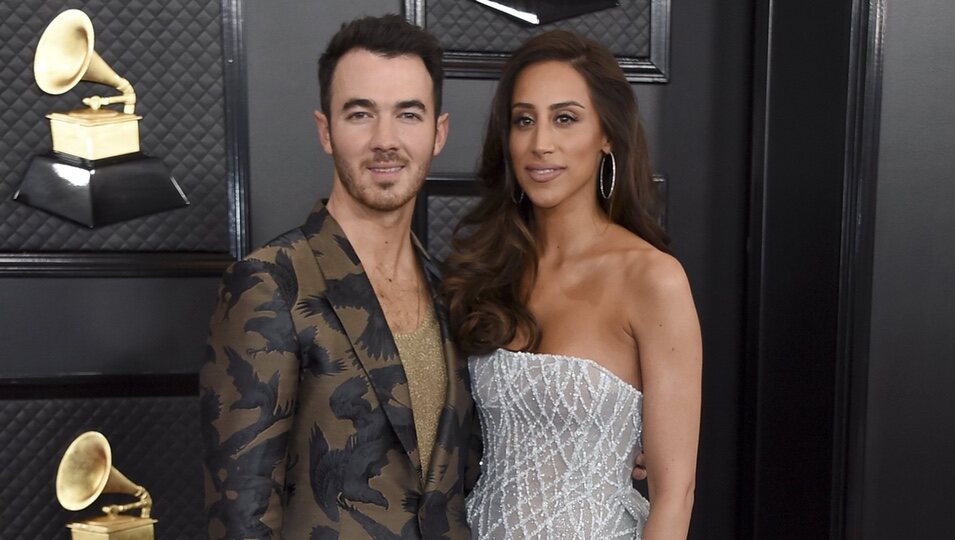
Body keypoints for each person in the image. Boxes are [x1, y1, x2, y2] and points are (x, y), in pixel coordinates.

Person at [198, 15, 480, 539]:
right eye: (360, 114)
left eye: (408, 115)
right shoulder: (269, 283)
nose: (386, 140)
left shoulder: (453, 291)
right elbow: (242, 515)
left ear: (438, 133)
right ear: (326, 130)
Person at [442, 30, 702, 539]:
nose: (541, 143)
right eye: (524, 120)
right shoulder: (487, 269)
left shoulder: (651, 279)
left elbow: (676, 494)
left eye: (565, 118)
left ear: (607, 133)